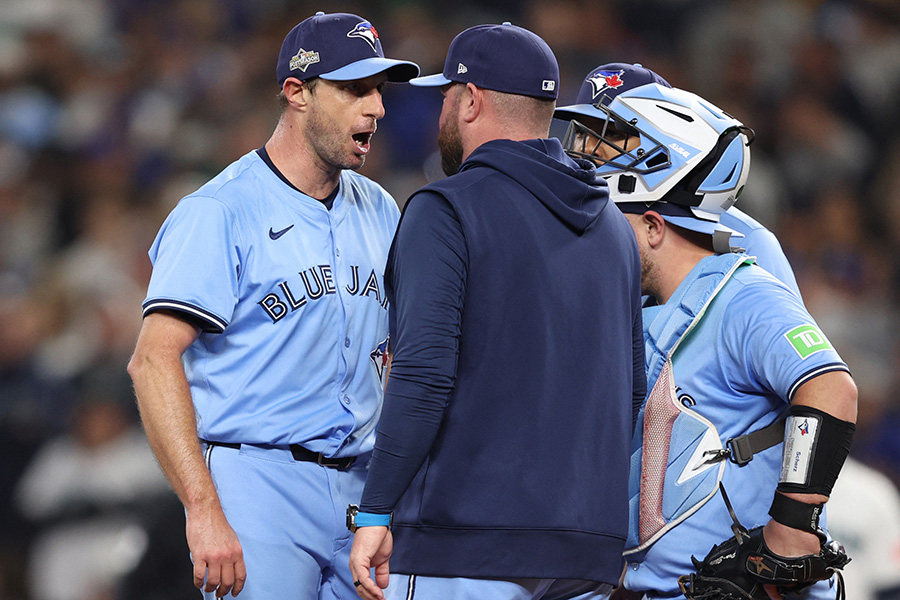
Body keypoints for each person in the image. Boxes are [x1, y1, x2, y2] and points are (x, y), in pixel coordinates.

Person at [347, 22, 645, 600]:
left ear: (472, 100)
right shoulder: (612, 226)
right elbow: (630, 389)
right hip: (586, 550)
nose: (441, 117)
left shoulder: (446, 209)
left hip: (466, 543)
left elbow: (422, 374)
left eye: (445, 98)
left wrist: (376, 510)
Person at [126, 12, 418, 600]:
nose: (377, 108)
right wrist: (202, 509)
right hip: (259, 483)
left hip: (365, 489)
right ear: (297, 92)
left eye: (378, 91)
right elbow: (152, 360)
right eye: (355, 89)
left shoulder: (381, 208)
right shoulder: (220, 211)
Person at [554, 76, 857, 599]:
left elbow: (830, 390)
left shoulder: (742, 295)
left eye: (609, 219)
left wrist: (791, 525)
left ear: (653, 225)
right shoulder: (637, 308)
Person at [554, 63, 802, 299]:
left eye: (614, 134)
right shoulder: (568, 217)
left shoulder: (747, 238)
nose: (587, 147)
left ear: (663, 141)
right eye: (581, 132)